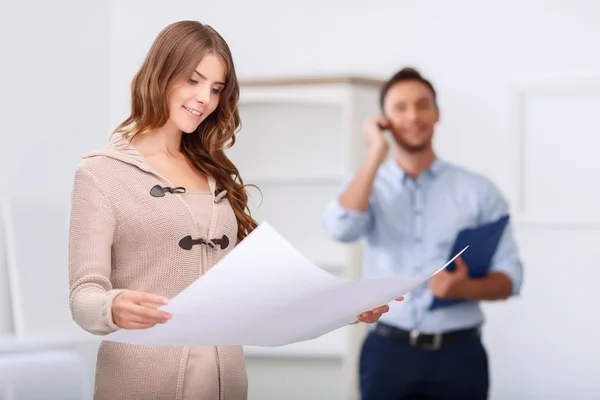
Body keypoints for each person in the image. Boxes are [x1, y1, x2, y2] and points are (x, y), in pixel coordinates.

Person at [68, 20, 396, 400]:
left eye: (216, 88)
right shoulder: (100, 173)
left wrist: (346, 308)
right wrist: (113, 307)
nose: (204, 98)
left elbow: (257, 293)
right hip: (138, 382)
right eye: (193, 80)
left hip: (223, 383)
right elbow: (83, 295)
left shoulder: (213, 174)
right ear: (160, 74)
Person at [321, 67, 524, 400]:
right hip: (387, 353)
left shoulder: (479, 191)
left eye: (422, 105)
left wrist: (465, 287)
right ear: (384, 119)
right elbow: (340, 228)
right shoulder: (368, 184)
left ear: (437, 113)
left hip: (460, 356)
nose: (413, 116)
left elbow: (511, 277)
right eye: (400, 107)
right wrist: (375, 152)